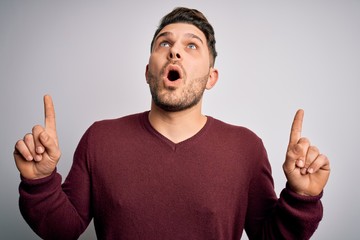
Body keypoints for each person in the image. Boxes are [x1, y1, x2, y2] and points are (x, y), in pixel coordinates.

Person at [14, 7, 330, 240]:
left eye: (192, 45)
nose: (175, 51)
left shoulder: (246, 148)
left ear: (211, 77)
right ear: (148, 71)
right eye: (164, 44)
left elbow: (269, 237)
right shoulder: (100, 139)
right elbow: (62, 231)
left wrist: (300, 198)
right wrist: (40, 183)